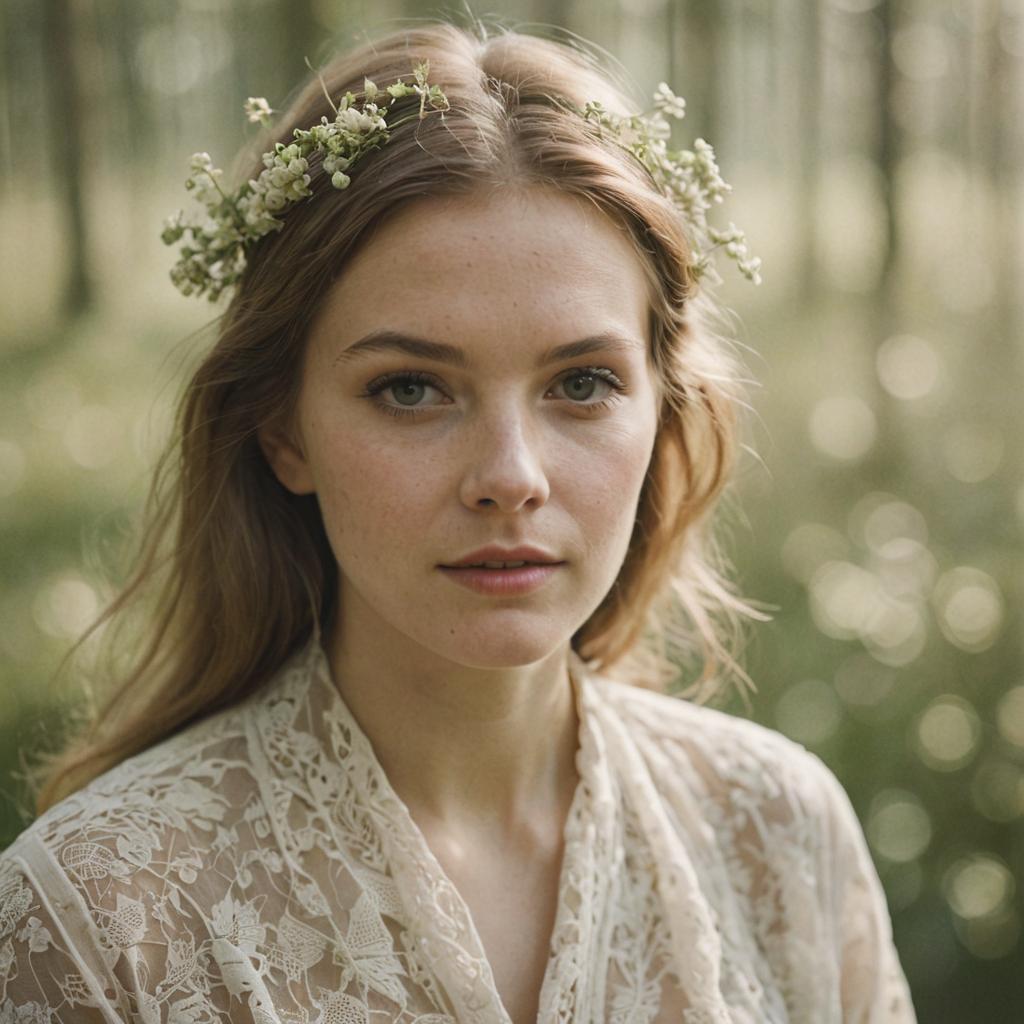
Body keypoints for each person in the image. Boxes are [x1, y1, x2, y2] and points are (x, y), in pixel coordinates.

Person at [0, 14, 917, 1023]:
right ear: (281, 431)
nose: (509, 477)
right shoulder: (97, 916)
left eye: (581, 382)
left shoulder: (779, 833)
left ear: (664, 411)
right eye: (409, 390)